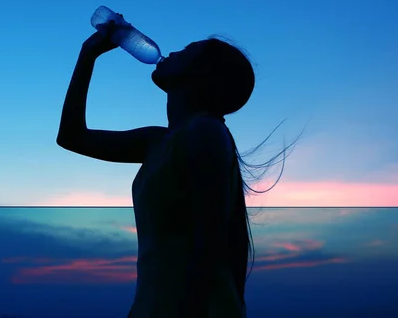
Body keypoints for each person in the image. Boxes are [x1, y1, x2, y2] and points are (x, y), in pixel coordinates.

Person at [57, 19, 259, 317]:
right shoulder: (159, 141)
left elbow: (208, 246)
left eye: (186, 51)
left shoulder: (206, 132)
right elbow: (71, 137)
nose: (173, 52)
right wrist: (88, 54)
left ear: (200, 72)